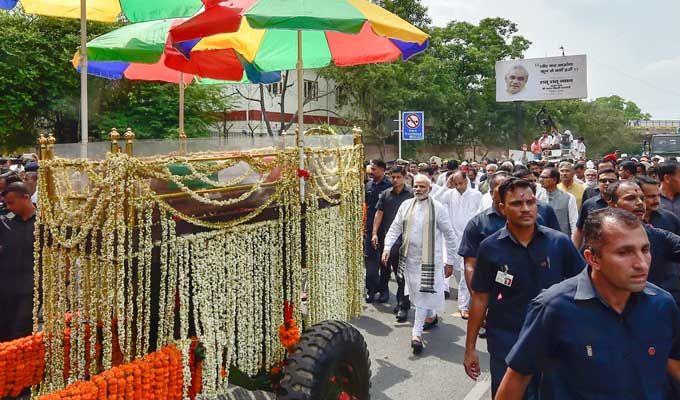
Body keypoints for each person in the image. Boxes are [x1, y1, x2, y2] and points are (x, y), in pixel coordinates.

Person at [497, 208, 680, 399]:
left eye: (645, 250)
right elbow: (516, 381)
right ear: (593, 258)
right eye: (624, 252)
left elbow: (674, 361)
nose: (641, 263)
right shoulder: (554, 307)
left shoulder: (662, 305)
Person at [464, 178, 584, 398]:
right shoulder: (490, 247)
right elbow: (480, 297)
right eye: (517, 204)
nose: (526, 209)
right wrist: (470, 348)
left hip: (554, 343)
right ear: (502, 208)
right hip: (506, 343)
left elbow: (584, 288)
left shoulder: (559, 243)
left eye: (530, 202)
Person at [459, 172, 562, 309]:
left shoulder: (540, 215)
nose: (525, 209)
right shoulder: (478, 224)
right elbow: (470, 265)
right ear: (491, 193)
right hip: (500, 299)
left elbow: (557, 249)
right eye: (502, 188)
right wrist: (480, 301)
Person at [382, 174, 458, 355]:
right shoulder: (406, 205)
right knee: (417, 292)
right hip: (410, 259)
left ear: (430, 189)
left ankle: (416, 334)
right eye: (416, 186)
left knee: (424, 294)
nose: (418, 189)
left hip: (431, 261)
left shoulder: (438, 208)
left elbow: (449, 235)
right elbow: (395, 228)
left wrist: (450, 261)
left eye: (422, 187)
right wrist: (386, 247)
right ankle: (431, 316)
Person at [605, 179, 680, 303]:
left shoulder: (656, 236)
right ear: (612, 204)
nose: (640, 203)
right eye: (631, 198)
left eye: (642, 198)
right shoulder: (598, 235)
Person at [371, 166, 414, 322]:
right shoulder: (385, 194)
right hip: (387, 239)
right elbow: (379, 213)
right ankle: (384, 293)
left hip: (405, 242)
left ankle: (403, 305)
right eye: (392, 177)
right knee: (384, 267)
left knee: (401, 274)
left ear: (404, 177)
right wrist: (375, 233)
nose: (395, 180)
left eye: (398, 177)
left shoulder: (411, 195)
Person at [441, 171, 482, 319]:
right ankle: (466, 299)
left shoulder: (476, 195)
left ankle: (463, 306)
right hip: (453, 239)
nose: (459, 187)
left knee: (466, 272)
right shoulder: (449, 194)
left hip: (470, 238)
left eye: (461, 183)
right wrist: (446, 186)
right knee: (458, 271)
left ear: (467, 181)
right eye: (456, 184)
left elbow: (480, 215)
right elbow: (435, 200)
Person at [0, 182, 37, 342]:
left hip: (30, 289)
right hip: (5, 288)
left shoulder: (43, 223)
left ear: (26, 197)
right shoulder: (5, 222)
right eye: (6, 203)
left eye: (11, 202)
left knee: (21, 331)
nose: (9, 207)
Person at [364, 159, 392, 303]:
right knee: (370, 261)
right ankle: (371, 289)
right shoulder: (368, 185)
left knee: (384, 261)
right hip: (369, 228)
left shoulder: (390, 186)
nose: (371, 172)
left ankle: (384, 289)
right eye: (371, 169)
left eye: (374, 169)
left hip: (385, 229)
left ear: (382, 170)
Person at [572, 168, 618, 248]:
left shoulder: (623, 203)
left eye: (611, 181)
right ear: (598, 183)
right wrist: (574, 252)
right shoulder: (589, 204)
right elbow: (579, 230)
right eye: (603, 181)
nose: (607, 183)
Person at [539, 167, 578, 237]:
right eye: (540, 177)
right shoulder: (537, 197)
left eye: (544, 177)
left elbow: (574, 222)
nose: (541, 180)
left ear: (554, 180)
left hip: (562, 239)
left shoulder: (568, 197)